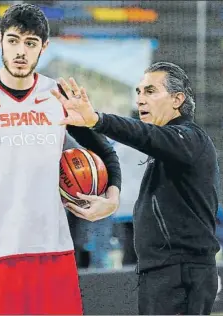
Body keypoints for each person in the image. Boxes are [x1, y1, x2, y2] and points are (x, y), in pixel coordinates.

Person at [0, 4, 122, 315]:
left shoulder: (60, 97)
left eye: (30, 43)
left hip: (52, 249)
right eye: (13, 40)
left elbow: (106, 152)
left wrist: (112, 199)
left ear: (44, 47)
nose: (20, 51)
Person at [51, 62, 221, 315]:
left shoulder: (190, 138)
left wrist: (97, 120)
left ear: (177, 99)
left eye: (150, 91)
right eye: (138, 92)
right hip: (164, 271)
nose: (141, 99)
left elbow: (144, 135)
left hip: (181, 272)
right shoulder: (168, 148)